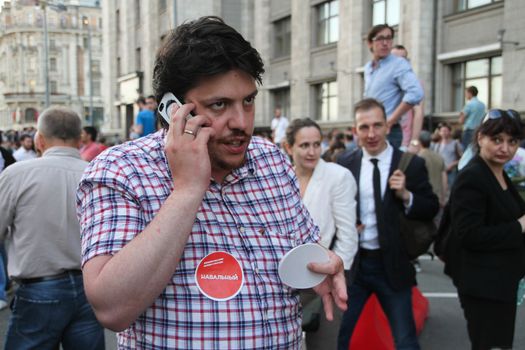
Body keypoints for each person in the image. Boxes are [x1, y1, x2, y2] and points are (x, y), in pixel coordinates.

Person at [76, 16, 347, 349]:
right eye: (219, 105)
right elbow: (111, 307)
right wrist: (188, 190)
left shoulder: (271, 160)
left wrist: (321, 267)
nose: (242, 123)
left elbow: (304, 253)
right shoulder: (121, 170)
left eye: (248, 100)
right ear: (174, 109)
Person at [336, 98, 439, 350]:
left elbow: (431, 207)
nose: (371, 134)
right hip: (355, 267)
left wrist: (406, 195)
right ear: (355, 130)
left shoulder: (411, 164)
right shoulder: (344, 164)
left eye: (377, 125)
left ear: (387, 126)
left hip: (392, 265)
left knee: (405, 340)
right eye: (364, 127)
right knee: (342, 337)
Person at [0, 107, 105, 349]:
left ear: (39, 139)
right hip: (91, 287)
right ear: (80, 139)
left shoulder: (16, 174)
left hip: (38, 287)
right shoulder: (97, 172)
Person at [443, 109, 525, 350]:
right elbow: (469, 234)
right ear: (480, 138)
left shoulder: (498, 172)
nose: (505, 148)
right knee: (489, 345)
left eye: (512, 141)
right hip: (482, 285)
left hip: (500, 282)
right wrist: (518, 226)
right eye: (497, 139)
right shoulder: (473, 177)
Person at [284, 118, 358, 350]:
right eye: (304, 145)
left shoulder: (338, 176)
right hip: (282, 279)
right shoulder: (280, 177)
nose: (312, 151)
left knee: (324, 343)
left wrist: (336, 273)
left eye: (317, 144)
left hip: (323, 275)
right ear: (289, 147)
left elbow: (348, 234)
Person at [364, 24, 424, 149]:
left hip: (389, 132)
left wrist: (390, 120)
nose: (385, 43)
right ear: (370, 43)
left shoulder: (398, 64)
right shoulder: (368, 68)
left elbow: (416, 93)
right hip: (369, 130)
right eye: (380, 39)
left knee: (388, 168)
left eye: (389, 38)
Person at [390, 45, 424, 150]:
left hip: (404, 142)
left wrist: (414, 142)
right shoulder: (386, 83)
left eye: (403, 59)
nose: (400, 62)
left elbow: (419, 112)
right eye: (396, 59)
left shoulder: (413, 83)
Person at [432, 122, 463, 188]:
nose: (443, 133)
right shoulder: (437, 145)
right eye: (442, 131)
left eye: (445, 131)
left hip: (452, 172)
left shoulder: (455, 144)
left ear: (449, 132)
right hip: (441, 172)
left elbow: (462, 158)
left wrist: (452, 165)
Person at [459, 86, 486, 150]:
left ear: (470, 93)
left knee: (467, 151)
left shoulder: (469, 104)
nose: (465, 96)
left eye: (466, 93)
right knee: (476, 149)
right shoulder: (482, 104)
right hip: (479, 130)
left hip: (468, 131)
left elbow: (461, 120)